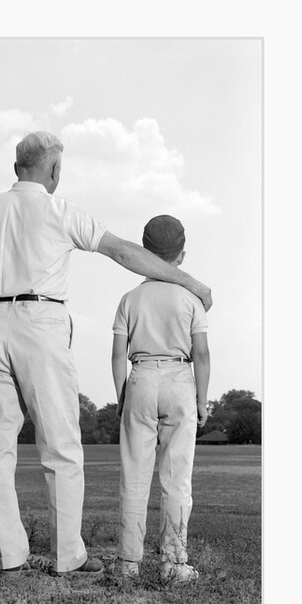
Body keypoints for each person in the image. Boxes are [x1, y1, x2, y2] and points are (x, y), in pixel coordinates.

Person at [0, 131, 212, 578]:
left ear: (18, 166)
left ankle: (10, 555)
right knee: (60, 446)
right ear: (53, 169)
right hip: (42, 325)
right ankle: (67, 555)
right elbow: (123, 253)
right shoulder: (61, 211)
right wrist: (191, 283)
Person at [111, 214, 210, 583]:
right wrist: (202, 401)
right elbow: (201, 353)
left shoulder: (130, 298)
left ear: (144, 251)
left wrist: (121, 394)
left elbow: (117, 353)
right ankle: (173, 562)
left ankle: (128, 564)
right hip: (180, 378)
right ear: (181, 255)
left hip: (140, 376)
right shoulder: (191, 298)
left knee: (135, 476)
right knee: (177, 478)